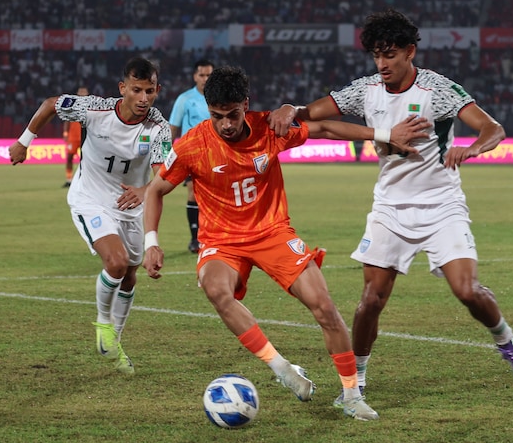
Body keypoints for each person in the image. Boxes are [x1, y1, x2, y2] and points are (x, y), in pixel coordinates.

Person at [268, 8, 513, 402]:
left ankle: (505, 339)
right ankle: (355, 381)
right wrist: (291, 108)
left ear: (410, 52)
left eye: (390, 54)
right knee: (370, 301)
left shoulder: (437, 89)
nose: (382, 64)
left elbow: (492, 128)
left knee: (467, 290)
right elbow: (314, 113)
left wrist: (473, 148)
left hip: (441, 205)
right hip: (390, 208)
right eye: (376, 55)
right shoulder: (367, 89)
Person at [142, 65, 429, 421]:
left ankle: (351, 395)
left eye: (233, 115)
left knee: (323, 305)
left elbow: (324, 127)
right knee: (217, 290)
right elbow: (155, 190)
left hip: (273, 232)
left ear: (245, 104)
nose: (226, 125)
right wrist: (151, 241)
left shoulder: (269, 128)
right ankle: (281, 368)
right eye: (217, 116)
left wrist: (384, 133)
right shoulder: (192, 145)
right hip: (222, 241)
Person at [9, 58, 171, 374]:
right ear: (122, 88)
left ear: (157, 90)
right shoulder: (93, 108)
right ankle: (102, 324)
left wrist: (146, 189)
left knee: (130, 273)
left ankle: (115, 340)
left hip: (130, 207)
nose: (143, 99)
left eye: (149, 91)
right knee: (116, 262)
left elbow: (162, 173)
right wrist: (24, 141)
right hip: (91, 199)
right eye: (136, 90)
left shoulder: (158, 127)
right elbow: (52, 104)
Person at [167, 58, 214, 253]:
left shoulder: (220, 98)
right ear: (195, 76)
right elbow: (172, 128)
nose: (205, 79)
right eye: (202, 75)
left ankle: (214, 236)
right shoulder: (185, 99)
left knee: (215, 197)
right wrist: (166, 156)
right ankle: (195, 238)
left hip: (217, 155)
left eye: (209, 75)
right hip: (192, 154)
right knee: (193, 193)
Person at [62, 86, 88, 186]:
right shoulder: (71, 105)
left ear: (87, 93)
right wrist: (65, 132)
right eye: (80, 91)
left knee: (86, 159)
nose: (82, 93)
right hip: (73, 136)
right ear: (77, 93)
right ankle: (69, 179)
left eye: (84, 91)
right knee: (69, 157)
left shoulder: (91, 105)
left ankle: (84, 180)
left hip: (85, 137)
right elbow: (67, 120)